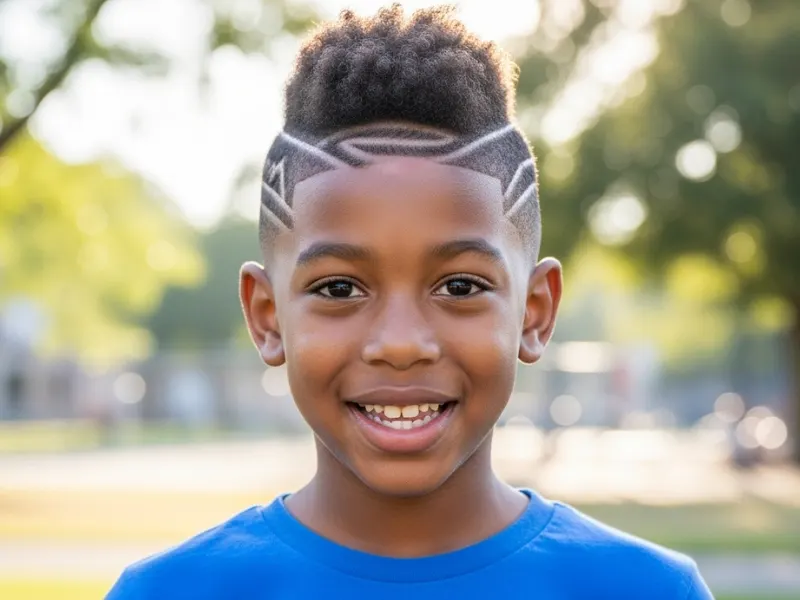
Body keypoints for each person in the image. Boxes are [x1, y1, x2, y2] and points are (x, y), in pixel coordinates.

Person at [107, 5, 714, 598]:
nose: (400, 343)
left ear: (534, 312)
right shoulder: (170, 591)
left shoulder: (646, 589)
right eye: (339, 289)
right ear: (267, 317)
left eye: (460, 286)